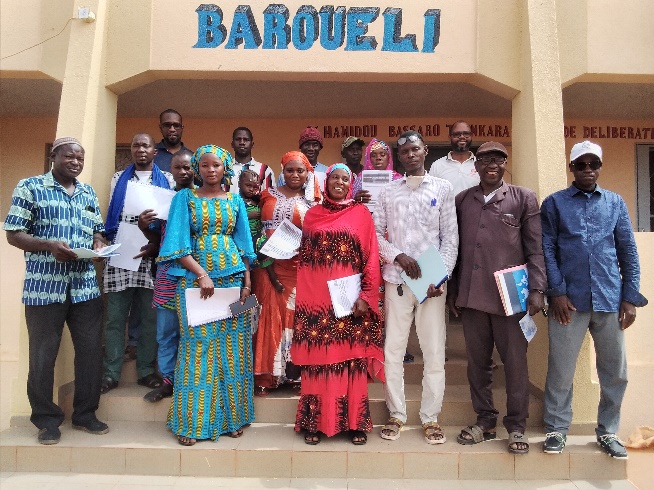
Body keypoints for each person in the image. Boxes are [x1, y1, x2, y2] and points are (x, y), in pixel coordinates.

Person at [540, 140, 648, 459]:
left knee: (615, 371)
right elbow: (547, 249)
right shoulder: (555, 203)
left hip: (609, 300)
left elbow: (628, 250)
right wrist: (556, 292)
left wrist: (629, 297)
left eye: (594, 164)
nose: (588, 170)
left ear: (600, 167)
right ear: (571, 167)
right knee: (561, 370)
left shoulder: (615, 203)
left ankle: (607, 431)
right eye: (581, 164)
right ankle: (557, 430)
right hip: (567, 303)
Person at [4, 137, 109, 445]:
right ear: (54, 156)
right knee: (42, 356)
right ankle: (47, 420)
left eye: (80, 158)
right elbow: (13, 233)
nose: (75, 162)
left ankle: (86, 414)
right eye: (69, 156)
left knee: (90, 353)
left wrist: (99, 245)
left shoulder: (87, 192)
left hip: (84, 287)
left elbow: (97, 231)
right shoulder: (29, 186)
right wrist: (48, 245)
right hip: (44, 287)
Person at [447, 141, 546, 455]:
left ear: (505, 164)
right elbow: (455, 248)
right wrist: (453, 291)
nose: (492, 164)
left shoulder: (523, 198)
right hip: (473, 297)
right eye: (486, 159)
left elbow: (535, 249)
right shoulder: (463, 200)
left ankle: (516, 426)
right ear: (476, 166)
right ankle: (485, 421)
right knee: (478, 364)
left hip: (511, 298)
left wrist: (537, 289)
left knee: (515, 364)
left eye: (499, 160)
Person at [157, 145, 256, 446]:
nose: (211, 170)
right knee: (197, 349)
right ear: (197, 169)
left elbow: (245, 248)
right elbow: (176, 245)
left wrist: (248, 285)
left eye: (216, 165)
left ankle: (232, 419)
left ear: (225, 168)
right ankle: (192, 424)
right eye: (204, 165)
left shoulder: (236, 200)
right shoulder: (184, 199)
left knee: (234, 348)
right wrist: (202, 274)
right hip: (194, 283)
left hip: (234, 281)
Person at [373, 131, 458, 445]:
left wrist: (441, 276)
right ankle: (396, 414)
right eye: (404, 151)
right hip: (397, 280)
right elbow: (376, 235)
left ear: (425, 151)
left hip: (432, 284)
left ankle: (430, 417)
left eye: (415, 149)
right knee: (393, 350)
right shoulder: (387, 192)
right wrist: (398, 255)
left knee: (434, 351)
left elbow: (450, 238)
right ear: (399, 156)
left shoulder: (442, 188)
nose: (410, 155)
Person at [291, 164, 384, 445]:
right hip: (317, 303)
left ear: (351, 183)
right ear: (326, 181)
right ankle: (315, 423)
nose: (339, 182)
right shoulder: (313, 216)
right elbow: (305, 262)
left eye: (345, 178)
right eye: (334, 178)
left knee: (350, 359)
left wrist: (367, 297)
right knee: (319, 359)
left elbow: (371, 257)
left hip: (349, 304)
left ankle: (355, 423)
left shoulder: (361, 214)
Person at [101, 133, 175, 394]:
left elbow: (169, 219)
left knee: (150, 317)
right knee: (115, 318)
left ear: (155, 152)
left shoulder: (167, 179)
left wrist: (156, 244)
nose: (141, 149)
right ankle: (110, 373)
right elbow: (113, 212)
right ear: (131, 150)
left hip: (152, 255)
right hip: (121, 252)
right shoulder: (117, 178)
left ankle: (145, 370)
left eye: (146, 145)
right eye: (136, 145)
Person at [253, 151, 321, 395]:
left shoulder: (314, 202)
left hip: (297, 266)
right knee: (267, 315)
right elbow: (253, 221)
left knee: (294, 318)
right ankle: (265, 376)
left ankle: (293, 374)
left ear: (307, 174)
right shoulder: (266, 195)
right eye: (290, 170)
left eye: (300, 171)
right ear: (282, 171)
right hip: (266, 265)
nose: (295, 175)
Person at [137, 149, 195, 403]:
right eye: (178, 168)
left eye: (188, 167)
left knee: (193, 332)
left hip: (195, 274)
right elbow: (159, 241)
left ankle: (190, 379)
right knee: (166, 331)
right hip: (167, 275)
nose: (183, 172)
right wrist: (144, 228)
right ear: (170, 170)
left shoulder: (203, 199)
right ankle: (168, 380)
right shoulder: (163, 199)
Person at [428, 121, 479, 195]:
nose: (462, 137)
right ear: (450, 137)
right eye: (457, 134)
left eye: (466, 134)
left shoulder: (480, 164)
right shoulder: (437, 165)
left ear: (471, 136)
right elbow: (430, 194)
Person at [351, 138, 401, 203]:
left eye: (382, 155)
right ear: (368, 159)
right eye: (374, 155)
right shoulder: (360, 179)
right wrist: (356, 198)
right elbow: (350, 201)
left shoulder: (398, 179)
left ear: (388, 157)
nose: (378, 158)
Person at [229, 127, 275, 192]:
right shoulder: (225, 169)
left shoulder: (265, 170)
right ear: (232, 144)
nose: (242, 142)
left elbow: (270, 197)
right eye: (238, 139)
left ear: (252, 144)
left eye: (246, 139)